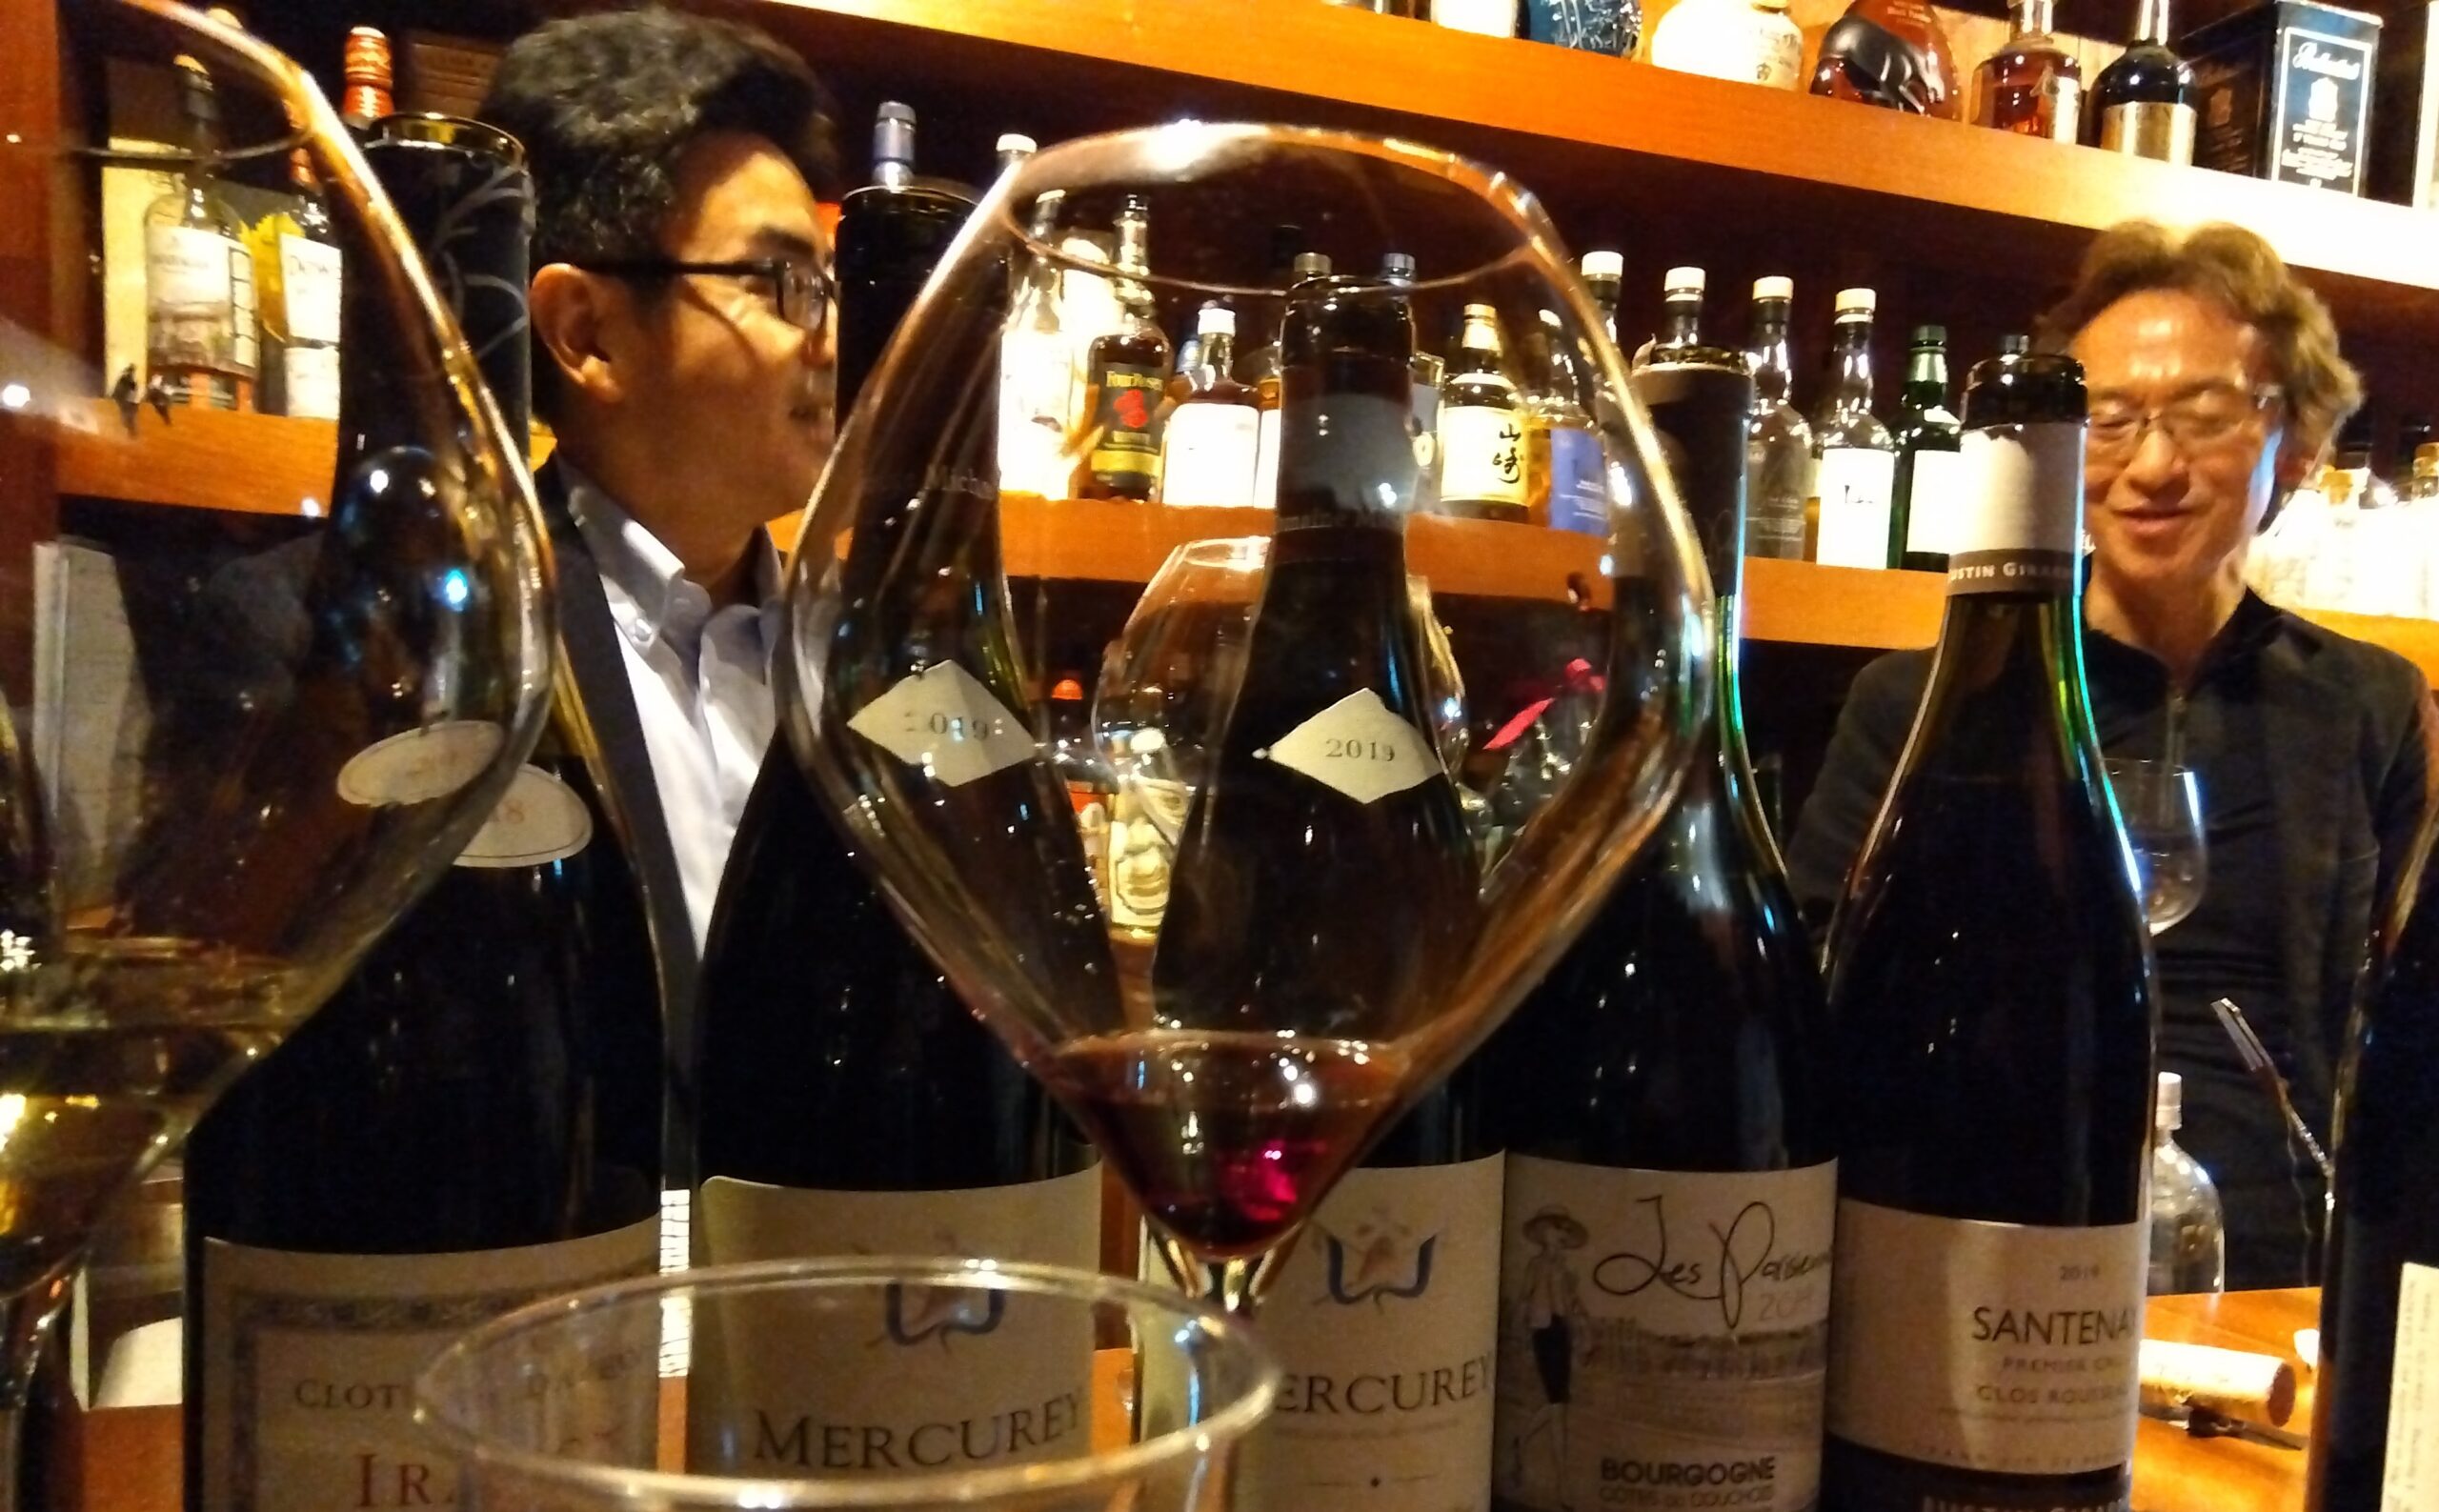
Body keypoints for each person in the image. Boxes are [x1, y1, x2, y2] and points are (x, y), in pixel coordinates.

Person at [1788, 222, 2435, 1289]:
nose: (2152, 465)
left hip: (2278, 1272)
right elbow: (1819, 985)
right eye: (2106, 420)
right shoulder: (1922, 704)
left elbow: (2408, 1016)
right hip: (1984, 1242)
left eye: (2205, 414)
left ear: (2297, 443)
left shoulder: (2368, 702)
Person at [479, 10, 840, 1178]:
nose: (829, 339)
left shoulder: (871, 657)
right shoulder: (442, 643)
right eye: (781, 283)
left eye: (829, 287)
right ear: (586, 331)